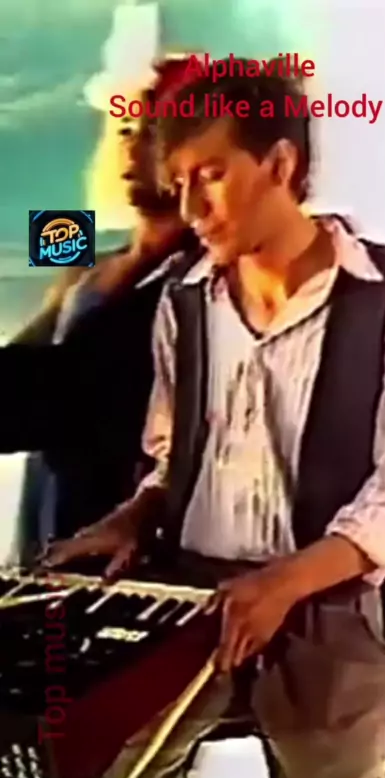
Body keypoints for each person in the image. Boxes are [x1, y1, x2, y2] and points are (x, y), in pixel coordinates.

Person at [43, 64, 385, 778]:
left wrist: (283, 584)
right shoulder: (182, 300)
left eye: (211, 175)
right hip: (187, 597)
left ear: (279, 164)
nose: (192, 208)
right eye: (179, 183)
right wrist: (135, 516)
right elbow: (171, 460)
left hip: (325, 603)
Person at [0, 57, 202, 564]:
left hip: (116, 532)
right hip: (47, 516)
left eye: (152, 133)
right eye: (129, 130)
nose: (132, 148)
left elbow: (58, 388)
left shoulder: (197, 283)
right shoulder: (86, 256)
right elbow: (29, 358)